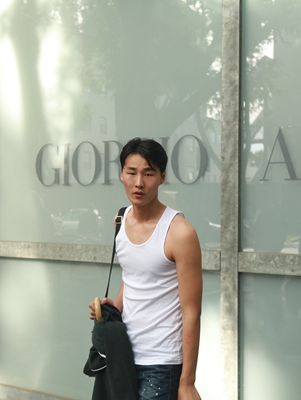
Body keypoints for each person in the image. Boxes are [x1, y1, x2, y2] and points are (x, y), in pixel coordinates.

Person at [89, 137, 203, 400]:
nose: (139, 182)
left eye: (148, 174)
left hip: (161, 364)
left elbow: (192, 312)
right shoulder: (121, 219)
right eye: (132, 172)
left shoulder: (180, 232)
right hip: (123, 355)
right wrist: (113, 307)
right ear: (121, 174)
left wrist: (187, 382)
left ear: (162, 177)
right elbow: (133, 275)